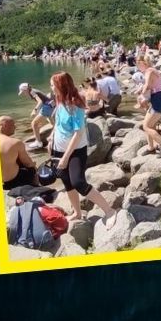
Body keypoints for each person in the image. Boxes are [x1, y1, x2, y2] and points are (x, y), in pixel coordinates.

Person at [47, 71, 118, 224]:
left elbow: (78, 134)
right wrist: (51, 138)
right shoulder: (60, 101)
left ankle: (109, 211)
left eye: (53, 85)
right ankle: (77, 213)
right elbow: (58, 125)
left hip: (75, 151)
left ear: (61, 86)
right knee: (66, 181)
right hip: (58, 149)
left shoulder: (75, 106)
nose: (51, 88)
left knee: (78, 182)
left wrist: (66, 158)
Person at [137, 56, 161, 154]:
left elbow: (147, 85)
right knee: (149, 124)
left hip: (158, 100)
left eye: (138, 63)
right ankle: (151, 147)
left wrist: (141, 96)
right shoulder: (152, 71)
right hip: (159, 99)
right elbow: (150, 85)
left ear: (144, 63)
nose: (138, 66)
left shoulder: (149, 71)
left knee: (146, 127)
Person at [0, 115, 38, 190]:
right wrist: (34, 166)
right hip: (11, 181)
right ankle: (35, 186)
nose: (15, 127)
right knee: (31, 169)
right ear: (5, 125)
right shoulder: (15, 143)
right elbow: (28, 163)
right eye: (13, 125)